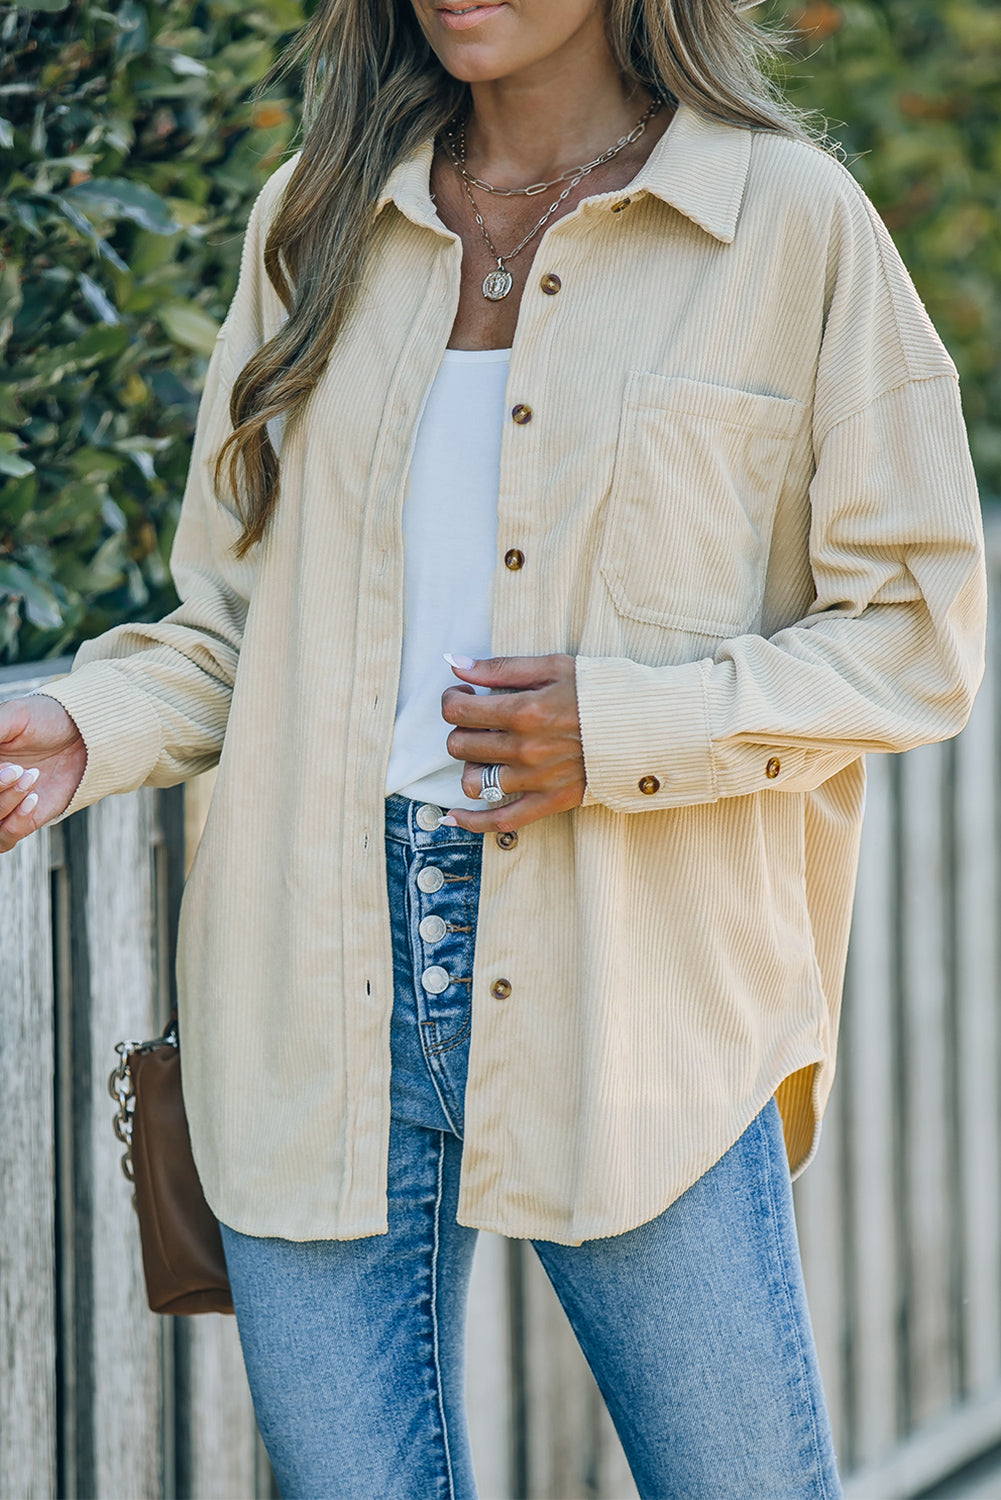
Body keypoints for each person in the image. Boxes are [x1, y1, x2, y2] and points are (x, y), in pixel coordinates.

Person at [0, 1, 986, 1495]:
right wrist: (84, 723)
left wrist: (628, 725)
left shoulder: (785, 224)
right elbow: (231, 626)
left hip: (639, 985)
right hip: (310, 981)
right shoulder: (315, 217)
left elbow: (915, 631)